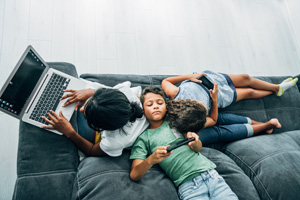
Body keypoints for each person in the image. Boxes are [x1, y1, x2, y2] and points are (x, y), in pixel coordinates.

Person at [130, 86, 239, 200]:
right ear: (143, 110)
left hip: (212, 176)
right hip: (189, 187)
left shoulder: (177, 121)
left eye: (160, 102)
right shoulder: (143, 138)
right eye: (150, 104)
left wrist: (195, 142)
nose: (156, 106)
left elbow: (198, 148)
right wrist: (151, 159)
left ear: (166, 106)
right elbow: (134, 175)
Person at [41, 82, 149, 157]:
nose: (81, 109)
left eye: (86, 114)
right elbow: (104, 93)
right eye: (88, 101)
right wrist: (91, 92)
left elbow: (92, 151)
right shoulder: (123, 91)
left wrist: (70, 133)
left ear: (102, 128)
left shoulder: (114, 141)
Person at [162, 71, 298, 112]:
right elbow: (212, 120)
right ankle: (277, 89)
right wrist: (214, 99)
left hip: (210, 80)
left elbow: (165, 81)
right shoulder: (186, 116)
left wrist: (189, 76)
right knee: (249, 93)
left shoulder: (174, 93)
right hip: (218, 97)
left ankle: (276, 88)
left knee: (245, 77)